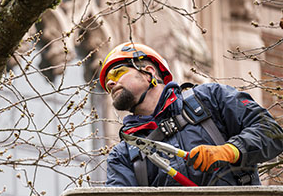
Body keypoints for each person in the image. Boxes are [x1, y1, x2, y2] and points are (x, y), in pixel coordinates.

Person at [100, 42, 283, 187]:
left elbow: (271, 132)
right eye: (107, 81)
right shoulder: (124, 154)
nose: (110, 83)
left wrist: (230, 151)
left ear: (149, 73)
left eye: (117, 73)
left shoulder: (210, 99)